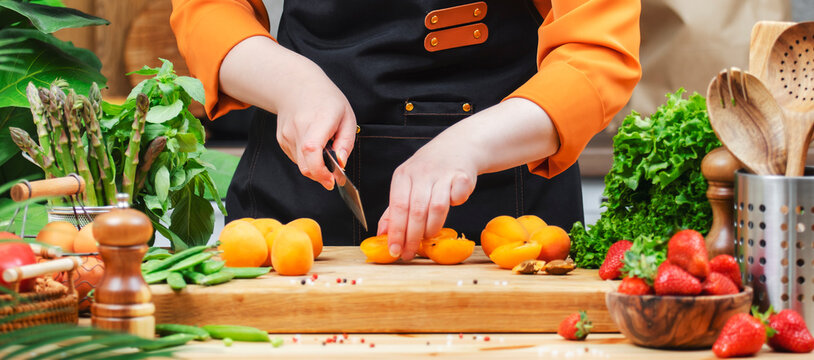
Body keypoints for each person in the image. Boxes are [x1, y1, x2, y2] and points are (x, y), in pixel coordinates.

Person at [170, 0, 641, 260]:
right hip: (302, 183)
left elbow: (598, 54)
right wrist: (293, 84)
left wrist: (473, 143)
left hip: (504, 189)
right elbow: (207, 10)